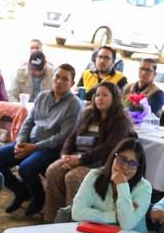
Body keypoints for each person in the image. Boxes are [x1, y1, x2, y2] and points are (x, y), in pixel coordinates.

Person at [0, 63, 80, 215]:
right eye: (57, 77)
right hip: (29, 142)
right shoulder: (42, 96)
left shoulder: (74, 105)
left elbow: (62, 137)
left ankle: (39, 198)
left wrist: (35, 147)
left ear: (72, 83)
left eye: (65, 79)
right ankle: (21, 190)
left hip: (51, 148)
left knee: (26, 167)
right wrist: (19, 142)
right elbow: (28, 122)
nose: (59, 81)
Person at [42, 82, 134, 221]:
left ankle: (72, 220)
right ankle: (52, 218)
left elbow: (108, 148)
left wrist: (79, 159)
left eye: (104, 95)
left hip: (100, 162)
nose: (100, 98)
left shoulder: (121, 120)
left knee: (72, 178)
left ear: (114, 98)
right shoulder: (88, 113)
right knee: (53, 171)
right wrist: (65, 156)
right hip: (77, 158)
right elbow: (72, 137)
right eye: (97, 95)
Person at [71, 138, 152, 232]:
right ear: (113, 157)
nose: (125, 167)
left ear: (139, 168)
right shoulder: (94, 176)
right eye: (122, 159)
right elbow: (77, 213)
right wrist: (115, 216)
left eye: (132, 163)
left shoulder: (144, 187)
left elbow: (127, 224)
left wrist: (122, 185)